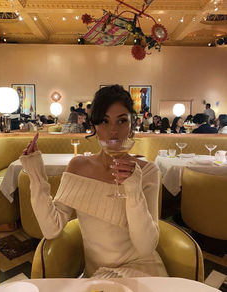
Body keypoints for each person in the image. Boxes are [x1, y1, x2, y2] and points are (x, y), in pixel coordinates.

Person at [20, 85, 168, 278]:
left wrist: (133, 190)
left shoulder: (147, 172)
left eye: (122, 120)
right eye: (104, 121)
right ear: (94, 126)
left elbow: (146, 247)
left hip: (142, 271)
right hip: (98, 275)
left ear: (132, 124)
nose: (113, 131)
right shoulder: (78, 167)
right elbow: (51, 228)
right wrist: (35, 172)